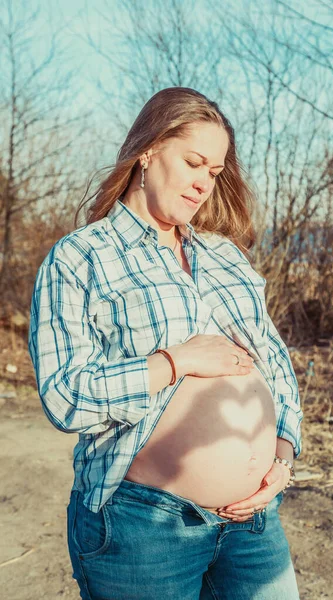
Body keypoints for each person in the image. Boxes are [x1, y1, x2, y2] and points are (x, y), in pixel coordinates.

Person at [28, 87, 303, 600]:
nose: (203, 184)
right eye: (194, 162)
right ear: (148, 151)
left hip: (253, 522)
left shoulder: (225, 257)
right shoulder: (81, 258)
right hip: (144, 526)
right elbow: (65, 397)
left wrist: (282, 459)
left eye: (215, 172)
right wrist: (174, 362)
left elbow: (277, 367)